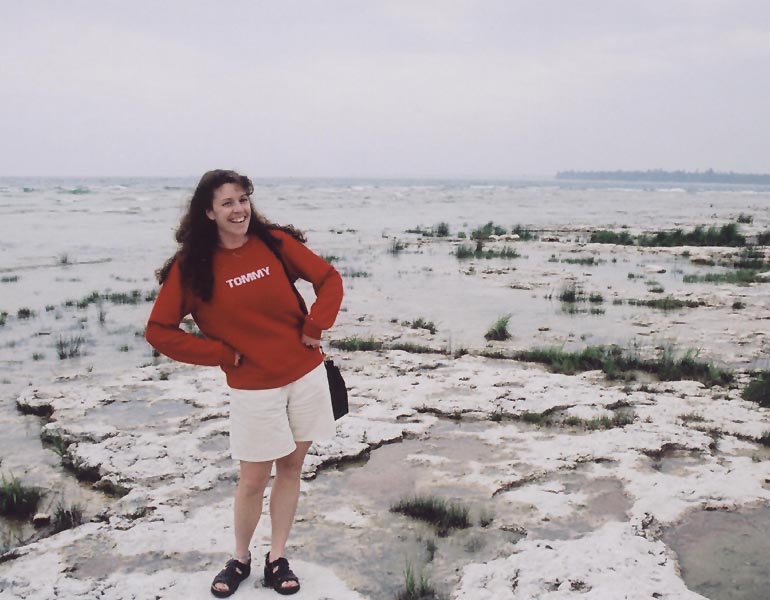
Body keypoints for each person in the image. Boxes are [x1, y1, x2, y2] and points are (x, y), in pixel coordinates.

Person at [145, 169, 343, 597]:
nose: (238, 210)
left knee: (291, 468)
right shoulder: (192, 267)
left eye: (243, 199)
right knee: (252, 480)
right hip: (254, 387)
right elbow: (159, 330)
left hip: (305, 374)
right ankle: (239, 559)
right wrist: (218, 353)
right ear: (208, 212)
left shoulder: (274, 243)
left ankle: (277, 558)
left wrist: (316, 324)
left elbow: (329, 279)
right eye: (227, 203)